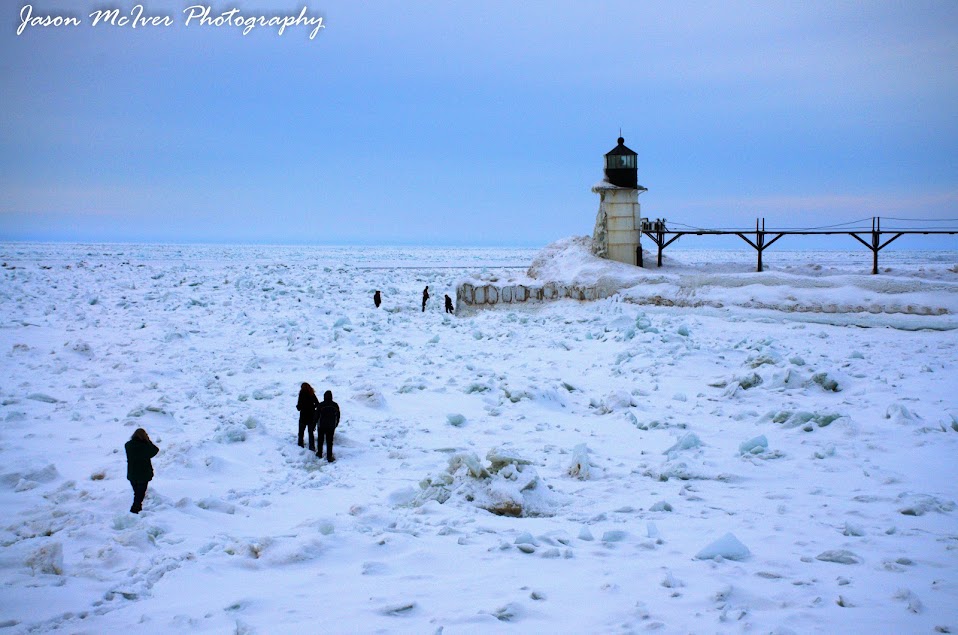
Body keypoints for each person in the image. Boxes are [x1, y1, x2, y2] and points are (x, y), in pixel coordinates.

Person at [125, 428, 159, 514]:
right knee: (139, 495)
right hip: (143, 474)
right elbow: (155, 450)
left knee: (137, 494)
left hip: (132, 473)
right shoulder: (145, 446)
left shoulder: (128, 445)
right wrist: (148, 441)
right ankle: (134, 511)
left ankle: (137, 510)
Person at [316, 390, 341, 462]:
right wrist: (336, 424)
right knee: (330, 441)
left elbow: (316, 415)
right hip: (331, 426)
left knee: (320, 440)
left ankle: (319, 453)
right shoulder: (335, 405)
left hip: (321, 425)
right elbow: (338, 416)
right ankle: (329, 456)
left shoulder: (321, 405)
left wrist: (315, 423)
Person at [296, 382, 320, 451]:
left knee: (301, 432)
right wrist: (313, 408)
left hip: (303, 416)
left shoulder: (301, 394)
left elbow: (299, 407)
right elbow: (317, 404)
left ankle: (300, 446)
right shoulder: (312, 394)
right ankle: (312, 447)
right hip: (311, 416)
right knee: (311, 433)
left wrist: (299, 407)